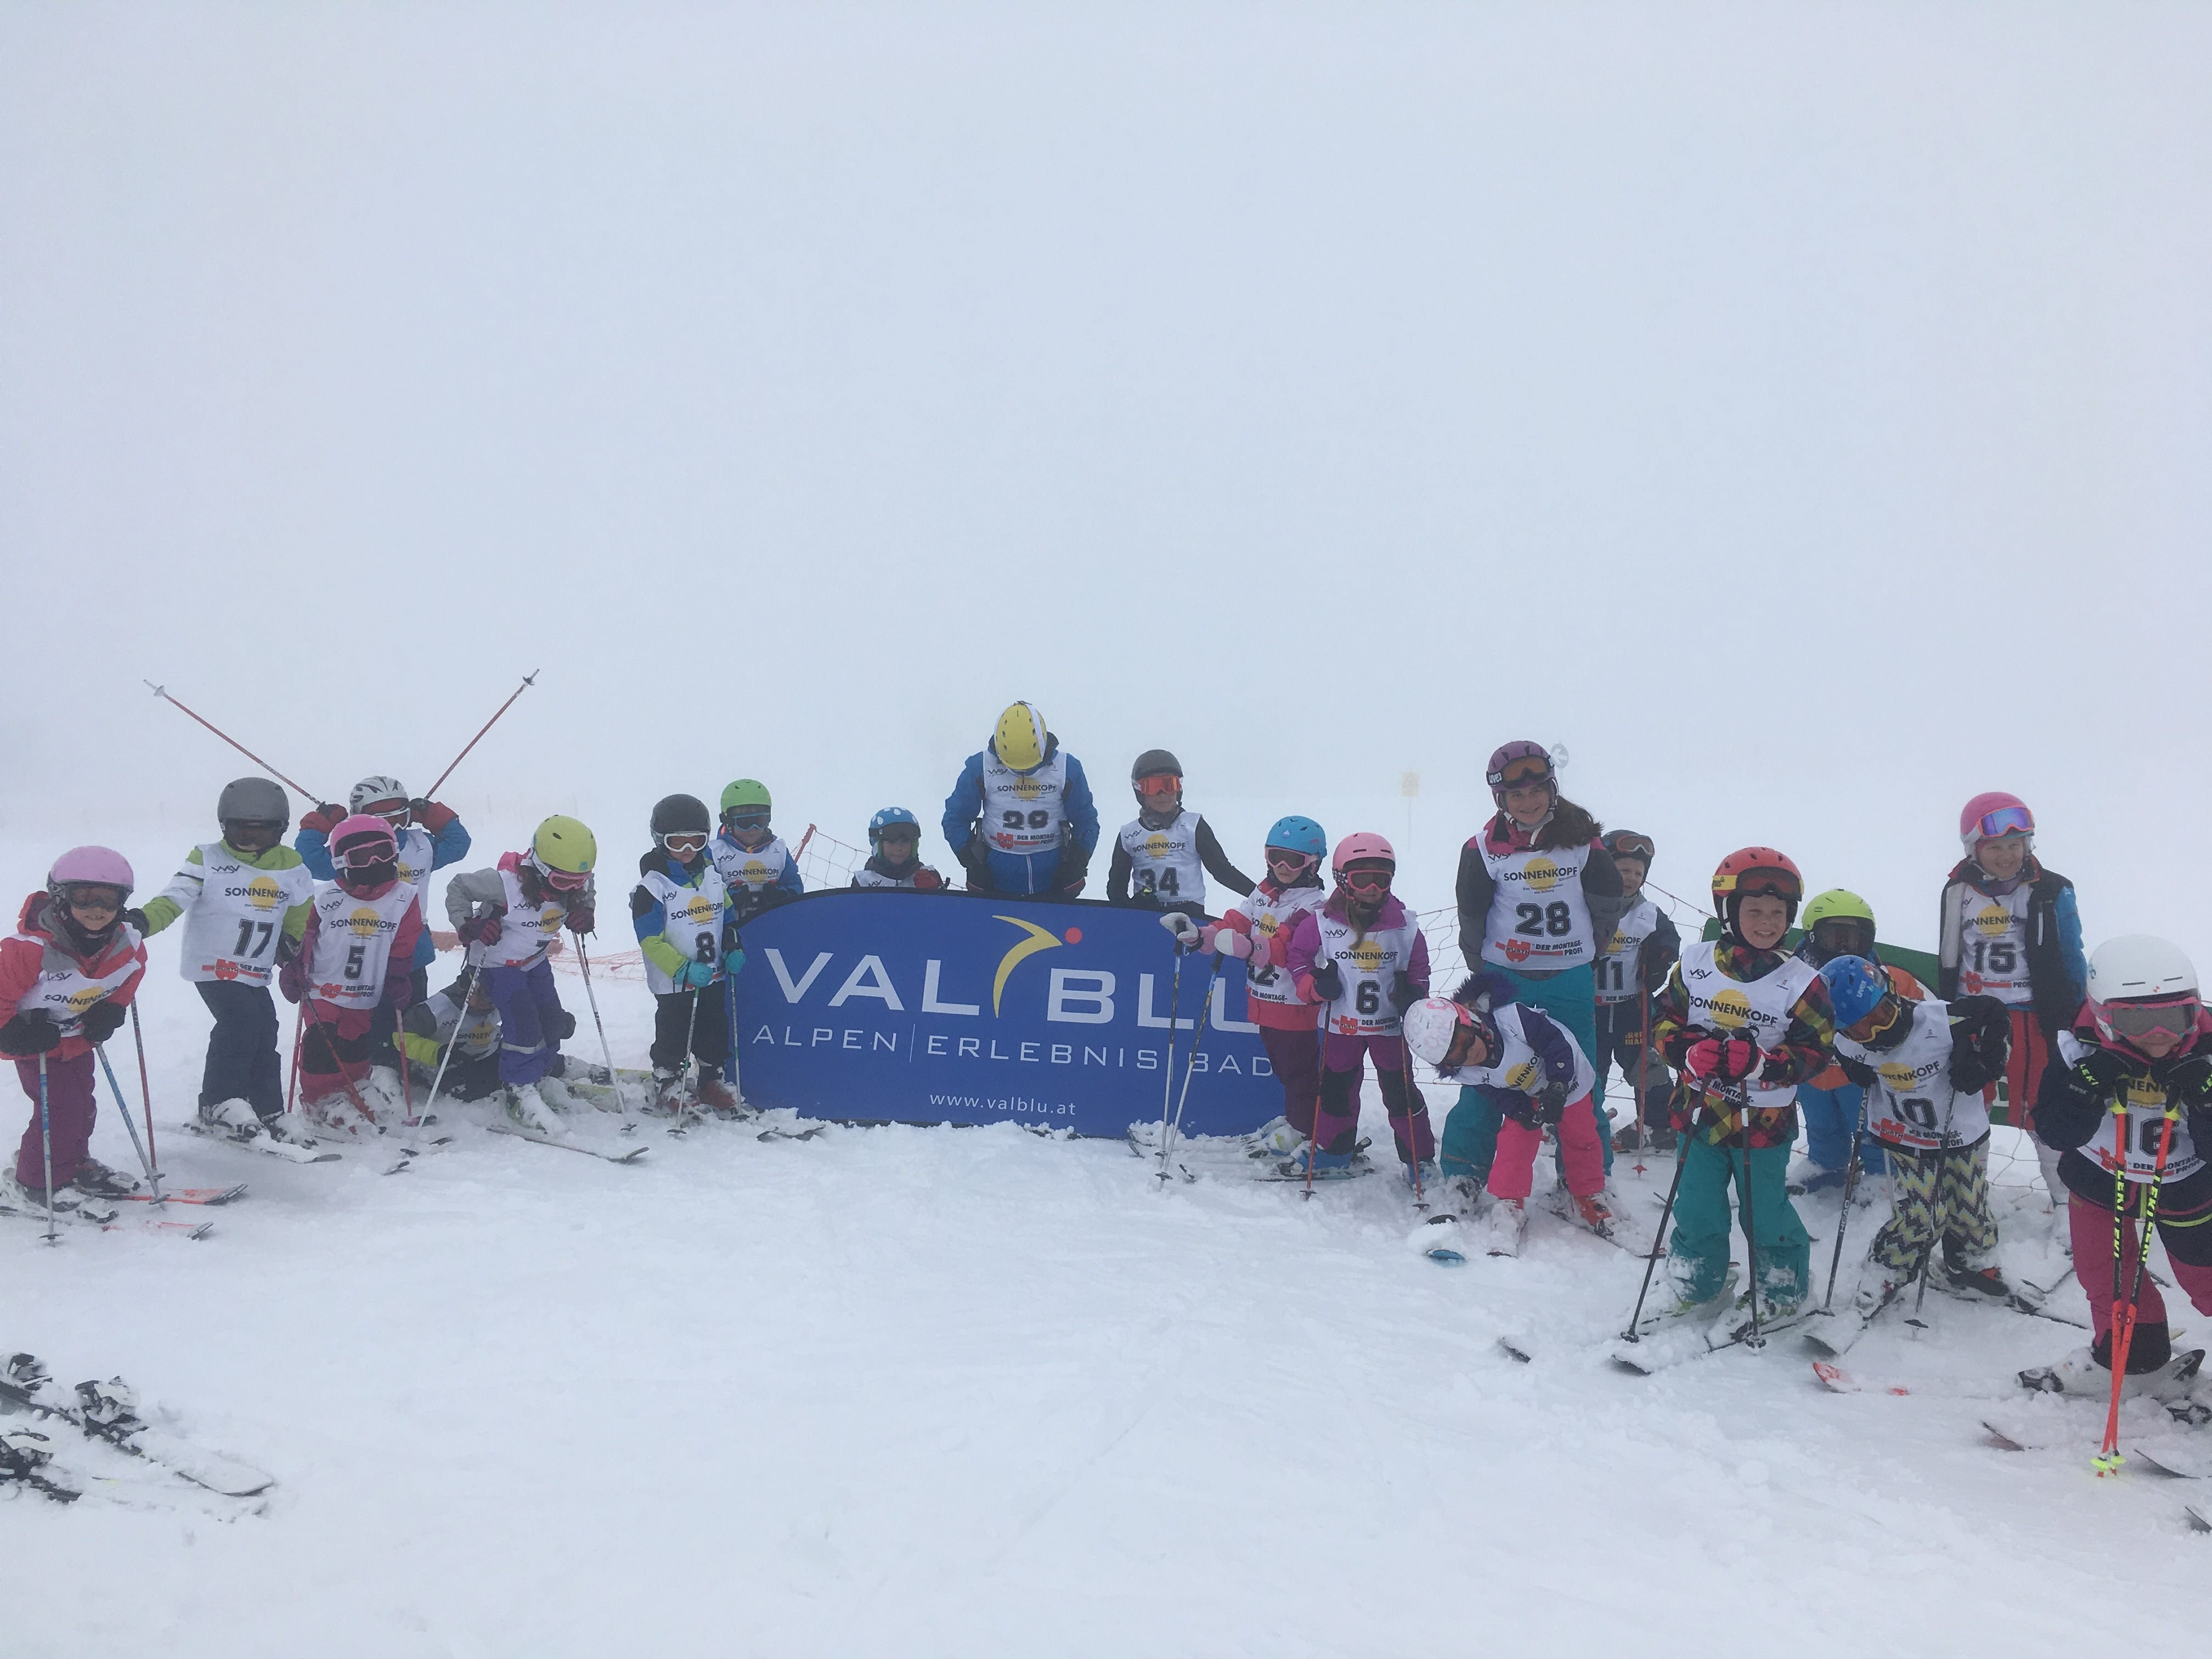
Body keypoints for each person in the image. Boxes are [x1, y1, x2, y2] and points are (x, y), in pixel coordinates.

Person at [1650, 848, 1835, 1333]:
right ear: (1730, 912)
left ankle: (1783, 1284)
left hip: (1763, 1124)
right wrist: (1687, 1052)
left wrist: (1763, 1064)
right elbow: (1664, 1020)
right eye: (1754, 910)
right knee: (1696, 1205)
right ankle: (1698, 1280)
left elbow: (1816, 1052)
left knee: (1764, 1209)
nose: (1767, 921)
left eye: (1778, 913)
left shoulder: (1801, 983)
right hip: (1699, 1114)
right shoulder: (1694, 964)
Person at [2027, 935, 2212, 1396]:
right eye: (2134, 1022)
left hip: (2186, 1188)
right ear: (2104, 1015)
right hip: (2100, 1180)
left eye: (2174, 1019)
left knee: (2205, 1280)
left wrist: (2207, 1100)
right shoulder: (2079, 1048)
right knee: (2105, 1276)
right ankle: (2133, 1357)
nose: (2158, 1036)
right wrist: (2084, 1088)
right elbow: (2054, 1131)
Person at [1449, 741, 1625, 1181]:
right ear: (1501, 799)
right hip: (1507, 978)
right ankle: (1462, 1173)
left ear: (1552, 789)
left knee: (1580, 1082)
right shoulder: (1482, 849)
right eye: (1516, 795)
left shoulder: (1584, 843)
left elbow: (1607, 905)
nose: (1528, 803)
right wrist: (1486, 971)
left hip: (1569, 980)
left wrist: (1586, 955)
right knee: (1484, 1076)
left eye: (1536, 792)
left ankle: (1587, 1180)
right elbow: (1472, 917)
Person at [1821, 955, 2013, 1318]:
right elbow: (1843, 1052)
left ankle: (1972, 1265)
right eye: (1860, 1030)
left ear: (1893, 994)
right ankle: (1885, 1271)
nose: (1875, 1034)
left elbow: (1995, 1014)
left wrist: (1986, 1062)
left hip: (1960, 1133)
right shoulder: (1848, 1042)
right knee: (1922, 1217)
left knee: (1970, 1210)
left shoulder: (1943, 1020)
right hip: (1905, 1137)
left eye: (1880, 1017)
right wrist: (1856, 1069)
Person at [133, 778, 318, 1147]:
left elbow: (301, 907)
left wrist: (292, 940)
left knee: (265, 1029)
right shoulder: (208, 858)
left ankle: (267, 1108)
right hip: (213, 963)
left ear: (279, 830)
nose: (249, 842)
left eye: (260, 834)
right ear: (224, 827)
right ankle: (220, 1102)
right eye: (240, 833)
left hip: (255, 967)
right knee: (240, 1022)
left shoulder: (292, 865)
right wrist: (144, 921)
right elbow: (175, 897)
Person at [1938, 792, 2085, 1204]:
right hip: (1976, 1015)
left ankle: (2064, 1199)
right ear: (1974, 849)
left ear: (2028, 844)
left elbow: (2070, 955)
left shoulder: (2052, 890)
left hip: (2031, 1015)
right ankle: (1968, 1196)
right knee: (1969, 1105)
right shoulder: (1957, 891)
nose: (2006, 855)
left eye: (2014, 844)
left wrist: (2075, 1013)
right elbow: (1950, 953)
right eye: (1994, 846)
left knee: (2044, 1109)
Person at [1405, 975, 1611, 1255]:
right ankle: (1510, 1202)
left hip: (1568, 1077)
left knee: (1581, 1134)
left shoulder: (1512, 1019)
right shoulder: (1468, 1072)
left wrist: (1558, 1084)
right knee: (1514, 1142)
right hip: (1528, 1093)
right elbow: (1497, 1092)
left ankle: (1586, 1192)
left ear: (1471, 1021)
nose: (1469, 1054)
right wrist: (1520, 1111)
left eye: (1465, 1041)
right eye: (1456, 1058)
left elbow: (1555, 1043)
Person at [1282, 833, 1435, 1180]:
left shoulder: (1405, 927)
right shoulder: (1322, 923)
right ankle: (1335, 1150)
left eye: (1381, 880)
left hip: (1388, 1029)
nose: (1372, 888)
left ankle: (1419, 1159)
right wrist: (1315, 986)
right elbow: (1298, 958)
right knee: (1336, 1092)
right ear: (1342, 880)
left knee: (1401, 1094)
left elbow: (1419, 968)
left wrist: (1413, 994)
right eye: (1361, 879)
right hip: (1342, 1028)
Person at [0, 849, 148, 1207]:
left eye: (108, 899)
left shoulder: (123, 943)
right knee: (60, 1109)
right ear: (61, 897)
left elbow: (131, 972)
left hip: (77, 1040)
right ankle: (35, 1182)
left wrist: (111, 1011)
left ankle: (69, 1164)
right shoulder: (28, 951)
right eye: (83, 897)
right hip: (37, 1042)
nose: (96, 908)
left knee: (82, 1105)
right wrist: (14, 1034)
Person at [443, 815, 599, 1135]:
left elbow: (586, 889)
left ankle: (543, 1072)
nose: (570, 889)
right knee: (524, 1023)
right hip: (496, 964)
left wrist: (586, 910)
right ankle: (519, 1089)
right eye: (561, 883)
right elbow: (458, 887)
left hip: (534, 961)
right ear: (540, 868)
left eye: (577, 882)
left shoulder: (576, 881)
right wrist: (468, 925)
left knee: (552, 1019)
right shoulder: (503, 883)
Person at [279, 816, 425, 1133]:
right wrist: (295, 968)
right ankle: (320, 1101)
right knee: (322, 1041)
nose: (376, 863)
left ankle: (354, 1087)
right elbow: (305, 933)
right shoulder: (326, 896)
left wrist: (399, 977)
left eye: (384, 852)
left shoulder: (404, 898)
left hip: (365, 988)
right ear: (343, 861)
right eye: (362, 857)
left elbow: (405, 940)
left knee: (356, 1042)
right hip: (324, 987)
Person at [1205, 816, 1333, 1159]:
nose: (1282, 867)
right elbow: (1238, 919)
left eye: (1292, 860)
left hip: (1293, 1005)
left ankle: (1308, 1128)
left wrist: (1249, 947)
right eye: (1274, 856)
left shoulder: (1314, 906)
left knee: (1299, 1072)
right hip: (1264, 1001)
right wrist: (1205, 935)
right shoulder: (1264, 892)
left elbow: (1291, 946)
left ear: (1312, 863)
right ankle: (1297, 1119)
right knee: (1283, 1068)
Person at [1788, 890, 1925, 1193]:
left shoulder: (1886, 978)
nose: (1843, 948)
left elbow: (1919, 1017)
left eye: (1855, 940)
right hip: (1811, 1069)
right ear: (1812, 937)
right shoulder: (1790, 975)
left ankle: (1881, 1173)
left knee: (1868, 1126)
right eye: (1833, 938)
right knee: (1820, 1122)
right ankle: (1827, 1162)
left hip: (1861, 1073)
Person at [296, 777, 470, 1002]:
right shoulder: (351, 853)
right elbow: (308, 858)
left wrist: (433, 815)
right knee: (365, 1019)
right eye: (383, 819)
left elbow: (459, 844)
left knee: (410, 1019)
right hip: (360, 948)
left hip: (412, 950)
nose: (394, 828)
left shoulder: (422, 847)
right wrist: (320, 824)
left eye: (400, 817)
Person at [631, 794, 743, 1115]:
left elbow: (729, 918)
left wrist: (733, 947)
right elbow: (650, 940)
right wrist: (682, 968)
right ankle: (667, 1080)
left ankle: (711, 1078)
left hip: (713, 973)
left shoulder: (712, 877)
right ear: (660, 841)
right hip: (676, 981)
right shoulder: (652, 887)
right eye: (678, 843)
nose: (687, 851)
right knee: (674, 1031)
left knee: (714, 1030)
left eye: (696, 841)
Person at [941, 702, 1099, 898]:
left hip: (1055, 881)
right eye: (1013, 767)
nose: (1022, 773)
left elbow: (1087, 820)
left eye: (1030, 766)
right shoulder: (980, 768)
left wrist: (1078, 860)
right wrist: (971, 861)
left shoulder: (1067, 769)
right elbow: (955, 818)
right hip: (994, 881)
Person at [1594, 830, 1681, 1152]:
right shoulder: (1584, 907)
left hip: (1632, 1007)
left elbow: (1670, 941)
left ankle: (1659, 1124)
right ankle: (1579, 1118)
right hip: (1590, 1008)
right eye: (1622, 870)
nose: (1631, 878)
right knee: (1590, 1067)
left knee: (1646, 1066)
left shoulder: (1647, 914)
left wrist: (1660, 958)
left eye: (1638, 873)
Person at [1105, 750, 1252, 917]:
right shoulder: (1129, 835)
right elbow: (1116, 890)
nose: (1163, 794)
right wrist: (1132, 906)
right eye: (1154, 787)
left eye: (1169, 785)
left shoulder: (1193, 826)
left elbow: (1222, 871)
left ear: (1179, 789)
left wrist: (1263, 898)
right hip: (1146, 917)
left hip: (1189, 917)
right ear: (1140, 792)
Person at [398, 972, 505, 1103]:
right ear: (468, 989)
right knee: (475, 1090)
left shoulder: (498, 1004)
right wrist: (438, 1053)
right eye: (487, 997)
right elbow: (401, 1037)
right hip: (447, 1067)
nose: (493, 1004)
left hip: (486, 1056)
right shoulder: (436, 1010)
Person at [712, 780, 805, 926]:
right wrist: (730, 898)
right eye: (745, 823)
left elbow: (794, 884)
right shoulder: (714, 853)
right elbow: (704, 894)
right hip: (732, 931)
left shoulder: (778, 850)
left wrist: (783, 895)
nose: (753, 829)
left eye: (760, 821)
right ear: (728, 821)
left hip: (773, 925)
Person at [851, 809, 946, 890]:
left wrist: (936, 891)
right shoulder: (863, 881)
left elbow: (945, 909)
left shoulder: (929, 875)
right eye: (891, 842)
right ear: (878, 846)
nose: (899, 848)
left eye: (905, 842)